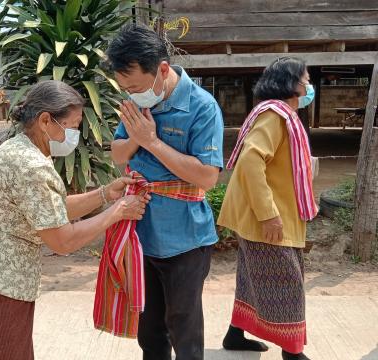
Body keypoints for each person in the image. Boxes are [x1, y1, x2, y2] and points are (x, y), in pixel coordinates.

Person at [0, 80, 150, 360]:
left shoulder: (21, 148)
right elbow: (62, 239)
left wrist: (105, 194)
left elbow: (50, 210)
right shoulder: (31, 165)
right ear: (45, 120)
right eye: (71, 127)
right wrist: (118, 210)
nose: (74, 136)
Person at [106, 24, 224, 360]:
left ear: (162, 69)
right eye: (125, 88)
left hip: (185, 240)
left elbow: (206, 177)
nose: (132, 94)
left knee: (184, 327)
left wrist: (152, 142)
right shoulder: (134, 101)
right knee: (149, 329)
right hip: (141, 234)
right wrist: (135, 138)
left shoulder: (202, 107)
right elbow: (118, 155)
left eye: (137, 86)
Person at [218, 57, 318, 360]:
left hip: (267, 214)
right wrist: (269, 214)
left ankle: (235, 334)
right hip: (267, 218)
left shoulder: (277, 114)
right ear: (291, 83)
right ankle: (292, 351)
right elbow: (251, 160)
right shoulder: (275, 117)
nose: (308, 85)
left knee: (251, 278)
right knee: (287, 283)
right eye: (306, 79)